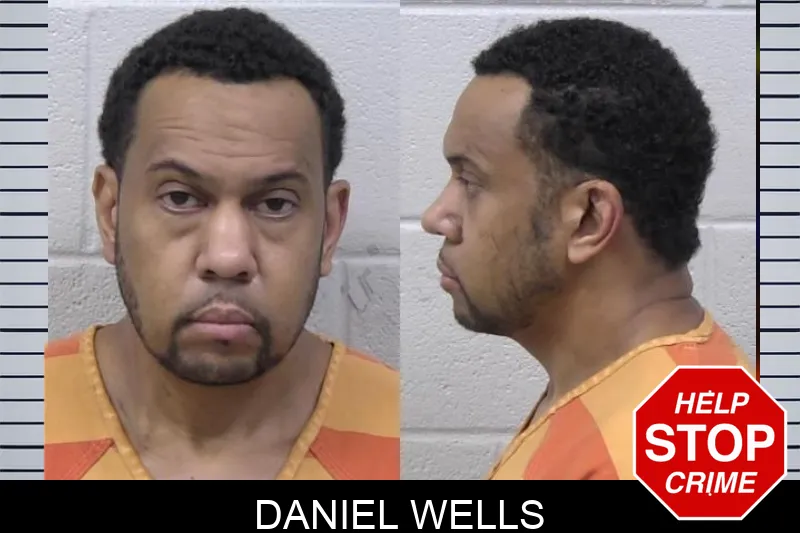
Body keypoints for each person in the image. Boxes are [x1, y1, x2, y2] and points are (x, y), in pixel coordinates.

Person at [44, 8, 399, 480]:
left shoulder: (397, 429)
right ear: (111, 213)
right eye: (179, 198)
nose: (228, 258)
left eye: (275, 204)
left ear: (329, 228)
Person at [421, 18, 753, 480]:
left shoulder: (679, 458)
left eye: (470, 181)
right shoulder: (634, 397)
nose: (435, 216)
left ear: (589, 220)